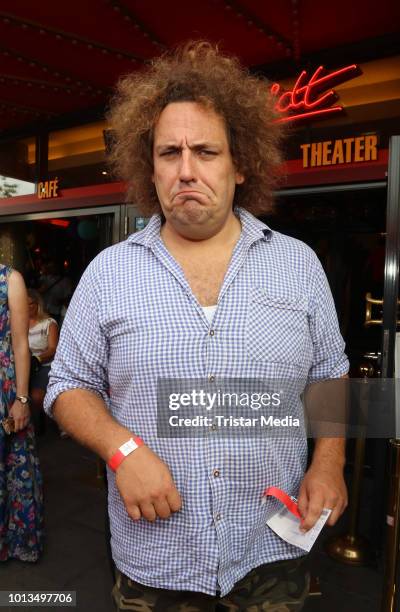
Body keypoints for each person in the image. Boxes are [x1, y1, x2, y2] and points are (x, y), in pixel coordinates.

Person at [44, 42, 349, 610]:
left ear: (240, 164)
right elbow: (66, 386)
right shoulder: (109, 272)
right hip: (155, 560)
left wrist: (329, 462)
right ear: (149, 166)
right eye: (169, 153)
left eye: (206, 151)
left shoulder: (297, 264)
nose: (186, 170)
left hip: (271, 546)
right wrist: (124, 451)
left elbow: (329, 370)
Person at [0, 265, 44, 562]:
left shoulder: (9, 280)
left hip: (3, 391)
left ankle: (11, 541)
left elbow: (20, 345)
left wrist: (23, 398)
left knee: (10, 468)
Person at [28, 289, 58, 435]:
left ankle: (46, 421)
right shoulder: (18, 324)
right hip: (24, 365)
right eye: (24, 304)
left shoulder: (48, 323)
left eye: (30, 304)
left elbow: (53, 348)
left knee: (36, 397)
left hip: (44, 364)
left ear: (37, 304)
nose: (27, 307)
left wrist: (37, 359)